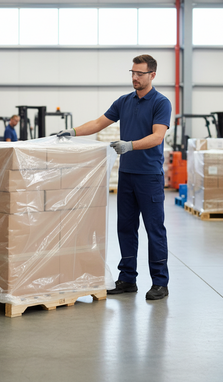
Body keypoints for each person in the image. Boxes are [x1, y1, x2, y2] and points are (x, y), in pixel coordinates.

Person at [57, 54, 172, 301]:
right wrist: (73, 132)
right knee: (126, 228)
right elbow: (100, 122)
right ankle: (128, 278)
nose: (134, 77)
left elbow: (157, 137)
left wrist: (130, 145)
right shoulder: (124, 101)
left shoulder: (161, 103)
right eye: (132, 72)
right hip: (127, 176)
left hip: (149, 176)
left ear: (152, 75)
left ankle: (160, 283)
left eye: (140, 73)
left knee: (154, 230)